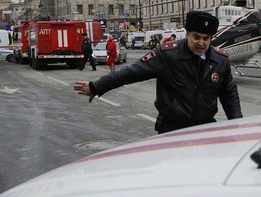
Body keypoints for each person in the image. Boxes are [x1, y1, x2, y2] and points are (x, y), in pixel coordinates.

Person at [73, 11, 243, 134]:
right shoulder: (168, 54)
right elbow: (132, 72)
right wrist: (96, 87)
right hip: (172, 128)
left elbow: (229, 94)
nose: (201, 43)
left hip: (205, 129)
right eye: (196, 37)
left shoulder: (220, 60)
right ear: (187, 34)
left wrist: (239, 127)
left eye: (206, 39)